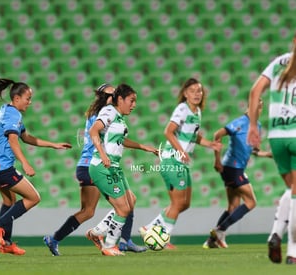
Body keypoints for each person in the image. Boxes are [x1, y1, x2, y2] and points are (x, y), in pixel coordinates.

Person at [43, 84, 146, 256]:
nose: (114, 96)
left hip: (93, 164)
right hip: (95, 164)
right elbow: (97, 134)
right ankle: (112, 238)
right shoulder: (104, 114)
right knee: (121, 204)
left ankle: (58, 239)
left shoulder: (105, 113)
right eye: (111, 94)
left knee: (92, 210)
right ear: (104, 97)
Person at [0, 76, 72, 256]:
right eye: (28, 98)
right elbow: (13, 139)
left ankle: (6, 243)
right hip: (3, 167)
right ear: (17, 99)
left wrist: (53, 144)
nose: (30, 102)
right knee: (33, 197)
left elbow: (26, 137)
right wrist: (25, 163)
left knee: (9, 201)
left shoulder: (6, 111)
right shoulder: (13, 114)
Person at [139, 78, 222, 245]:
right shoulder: (182, 109)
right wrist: (181, 151)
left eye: (199, 90)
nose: (197, 94)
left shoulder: (197, 112)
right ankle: (163, 238)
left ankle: (150, 228)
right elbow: (168, 132)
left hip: (180, 162)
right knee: (178, 203)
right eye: (192, 91)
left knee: (184, 204)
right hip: (173, 159)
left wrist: (210, 144)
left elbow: (193, 136)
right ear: (185, 94)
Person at [87, 83, 159, 256]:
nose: (134, 105)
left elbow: (121, 141)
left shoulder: (119, 116)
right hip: (103, 166)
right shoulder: (109, 111)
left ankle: (97, 233)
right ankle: (110, 246)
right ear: (120, 99)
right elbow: (93, 131)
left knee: (130, 201)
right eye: (131, 101)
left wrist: (143, 147)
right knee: (123, 209)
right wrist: (103, 154)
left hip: (114, 167)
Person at [247, 32, 296, 264]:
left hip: (276, 137)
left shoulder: (278, 62)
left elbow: (255, 91)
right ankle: (293, 252)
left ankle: (276, 233)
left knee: (293, 190)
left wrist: (253, 127)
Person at [203, 99, 272, 249]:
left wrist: (268, 154)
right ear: (249, 107)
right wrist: (217, 160)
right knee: (251, 202)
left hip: (236, 169)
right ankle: (219, 230)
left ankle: (212, 240)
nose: (257, 111)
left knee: (233, 206)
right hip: (231, 168)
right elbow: (217, 134)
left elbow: (254, 150)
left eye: (259, 108)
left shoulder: (257, 126)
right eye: (255, 107)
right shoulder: (240, 122)